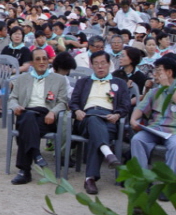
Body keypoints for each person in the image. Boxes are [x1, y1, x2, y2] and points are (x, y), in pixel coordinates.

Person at [69, 51, 130, 195]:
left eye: (103, 63)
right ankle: (108, 152)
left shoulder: (119, 83)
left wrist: (117, 114)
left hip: (109, 119)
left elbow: (126, 105)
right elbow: (74, 103)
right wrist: (77, 111)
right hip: (87, 117)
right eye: (96, 64)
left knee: (97, 133)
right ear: (91, 65)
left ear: (109, 64)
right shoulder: (83, 82)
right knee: (93, 120)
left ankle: (90, 178)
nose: (100, 67)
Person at [7, 48, 68, 185]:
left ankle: (24, 171)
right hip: (26, 112)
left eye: (44, 59)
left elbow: (63, 102)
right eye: (38, 59)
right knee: (27, 117)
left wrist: (53, 112)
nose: (42, 62)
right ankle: (35, 153)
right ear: (32, 63)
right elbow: (12, 99)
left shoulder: (59, 79)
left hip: (46, 117)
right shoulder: (22, 79)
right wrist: (16, 107)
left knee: (26, 125)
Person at [130, 56, 176, 199]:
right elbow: (140, 108)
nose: (155, 74)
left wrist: (167, 87)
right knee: (138, 139)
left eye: (159, 71)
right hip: (155, 129)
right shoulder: (155, 91)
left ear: (169, 72)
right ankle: (143, 181)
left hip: (173, 131)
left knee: (175, 145)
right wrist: (133, 120)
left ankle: (168, 185)